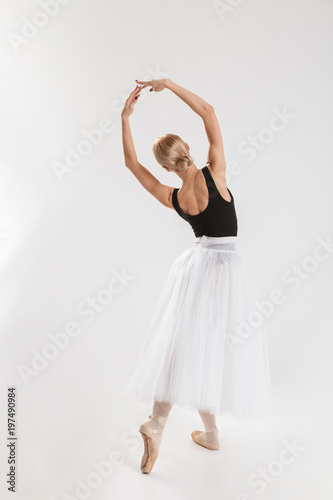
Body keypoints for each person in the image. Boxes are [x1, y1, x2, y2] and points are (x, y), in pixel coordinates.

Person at [121, 78, 273, 474]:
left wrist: (126, 118)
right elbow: (208, 112)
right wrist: (168, 84)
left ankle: (196, 430)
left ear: (167, 166)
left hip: (195, 267)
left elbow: (131, 166)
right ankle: (172, 425)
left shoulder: (174, 197)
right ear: (186, 149)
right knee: (211, 346)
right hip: (225, 270)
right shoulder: (215, 172)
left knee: (188, 344)